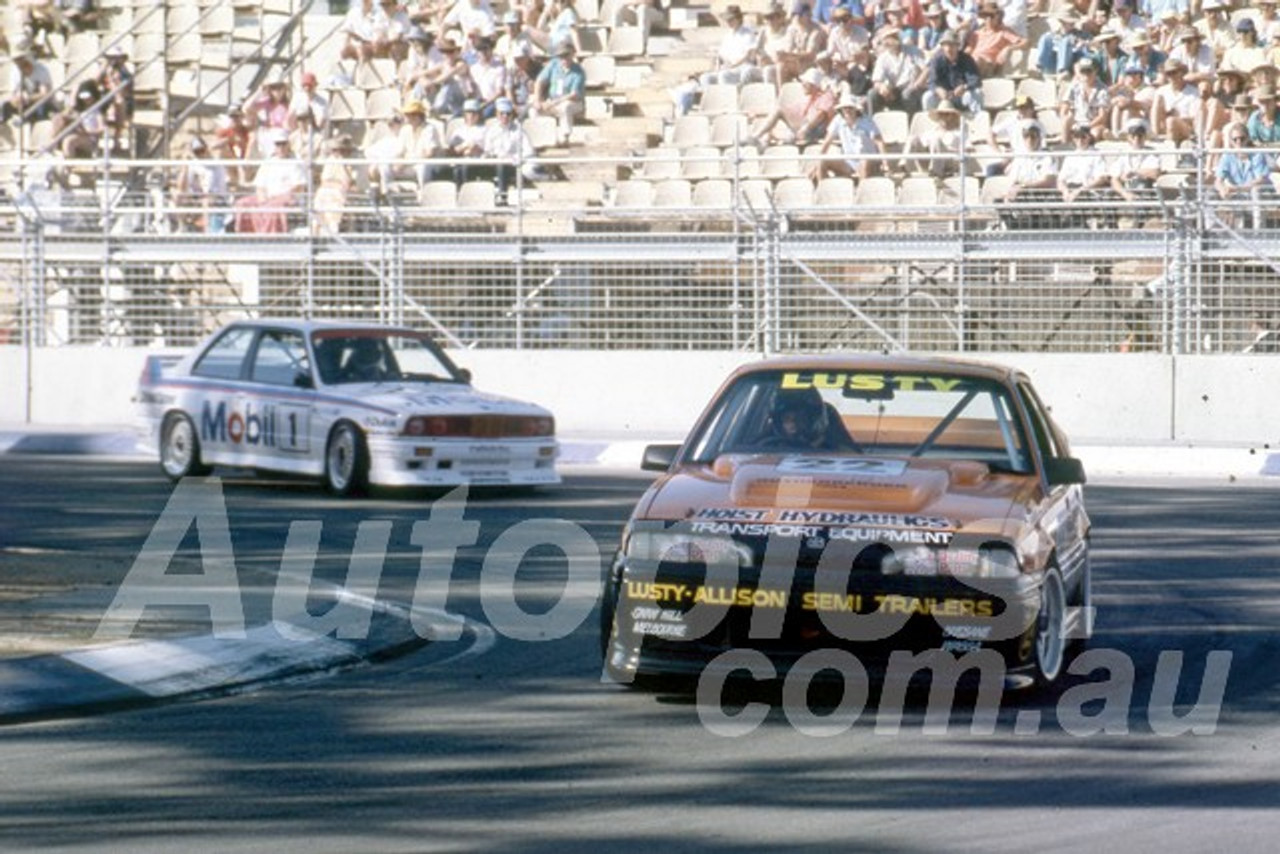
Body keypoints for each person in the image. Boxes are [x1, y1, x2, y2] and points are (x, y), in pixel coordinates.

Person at [233, 128, 308, 233]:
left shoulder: (295, 163)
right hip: (268, 197)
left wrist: (279, 197)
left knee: (274, 207)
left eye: (283, 144)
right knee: (243, 203)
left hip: (287, 199)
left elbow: (299, 187)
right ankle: (244, 235)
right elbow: (260, 185)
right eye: (278, 144)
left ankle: (271, 236)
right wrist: (262, 197)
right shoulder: (268, 162)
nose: (281, 147)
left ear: (288, 145)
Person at [1214, 122, 1276, 229]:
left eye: (1242, 138)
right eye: (1235, 139)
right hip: (1241, 196)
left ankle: (1258, 232)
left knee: (1256, 191)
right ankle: (1211, 234)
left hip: (1263, 196)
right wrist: (1222, 189)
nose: (1239, 142)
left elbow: (1260, 180)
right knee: (1209, 194)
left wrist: (1236, 189)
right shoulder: (1227, 157)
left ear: (1248, 139)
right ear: (1231, 142)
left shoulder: (1257, 154)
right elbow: (1218, 180)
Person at [759, 387, 858, 451]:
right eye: (787, 419)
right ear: (778, 422)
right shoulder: (761, 448)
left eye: (800, 418)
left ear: (814, 419)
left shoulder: (840, 452)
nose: (793, 423)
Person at [812, 94, 884, 179]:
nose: (847, 110)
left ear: (856, 109)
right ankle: (822, 189)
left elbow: (879, 142)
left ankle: (862, 190)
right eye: (844, 108)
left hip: (870, 161)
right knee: (821, 162)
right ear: (841, 109)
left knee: (864, 162)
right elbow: (827, 142)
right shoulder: (838, 120)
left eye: (850, 107)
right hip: (849, 162)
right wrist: (816, 164)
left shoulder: (867, 121)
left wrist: (885, 162)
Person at [482, 97, 537, 200]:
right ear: (497, 114)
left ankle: (502, 196)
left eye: (508, 113)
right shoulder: (492, 131)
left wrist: (513, 157)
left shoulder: (519, 131)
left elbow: (529, 151)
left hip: (512, 165)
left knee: (502, 167)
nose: (505, 116)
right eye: (502, 113)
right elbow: (487, 150)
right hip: (495, 164)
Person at [531, 40, 584, 146]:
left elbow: (573, 94)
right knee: (534, 109)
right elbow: (540, 81)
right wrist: (538, 100)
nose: (563, 59)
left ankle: (565, 137)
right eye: (561, 56)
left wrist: (554, 102)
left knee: (566, 107)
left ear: (572, 54)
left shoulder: (578, 71)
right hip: (553, 100)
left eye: (566, 55)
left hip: (572, 102)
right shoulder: (553, 64)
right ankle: (539, 136)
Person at [174, 136, 230, 233]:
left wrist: (212, 146)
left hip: (216, 197)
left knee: (206, 200)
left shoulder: (216, 164)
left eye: (202, 150)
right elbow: (181, 187)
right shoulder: (193, 164)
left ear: (206, 149)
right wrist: (185, 165)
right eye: (197, 152)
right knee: (178, 196)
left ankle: (207, 231)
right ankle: (182, 227)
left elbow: (225, 142)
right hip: (197, 197)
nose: (200, 154)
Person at [921, 31, 982, 114]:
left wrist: (964, 87)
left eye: (952, 45)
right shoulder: (937, 60)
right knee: (927, 97)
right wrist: (938, 89)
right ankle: (931, 123)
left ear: (958, 46)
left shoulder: (967, 59)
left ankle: (977, 122)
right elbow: (931, 81)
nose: (949, 48)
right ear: (942, 47)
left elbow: (976, 80)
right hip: (943, 97)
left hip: (961, 96)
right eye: (946, 45)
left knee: (976, 93)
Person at [699, 5, 761, 87]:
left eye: (731, 19)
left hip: (742, 67)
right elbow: (720, 56)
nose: (728, 22)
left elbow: (748, 54)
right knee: (705, 78)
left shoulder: (748, 33)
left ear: (738, 19)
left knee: (725, 75)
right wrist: (718, 67)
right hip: (728, 67)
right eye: (727, 20)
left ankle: (727, 98)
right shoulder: (728, 36)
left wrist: (732, 66)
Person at [966, 0, 1025, 78]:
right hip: (972, 62)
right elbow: (968, 50)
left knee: (977, 60)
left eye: (992, 17)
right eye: (987, 17)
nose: (989, 20)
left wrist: (1008, 48)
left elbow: (1025, 42)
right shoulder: (976, 33)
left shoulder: (1003, 31)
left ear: (997, 17)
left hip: (988, 65)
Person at [2, 51, 55, 125]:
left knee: (41, 108)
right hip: (24, 102)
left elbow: (44, 94)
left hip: (41, 103)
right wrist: (18, 98)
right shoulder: (15, 71)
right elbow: (14, 93)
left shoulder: (41, 70)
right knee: (4, 105)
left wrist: (28, 98)